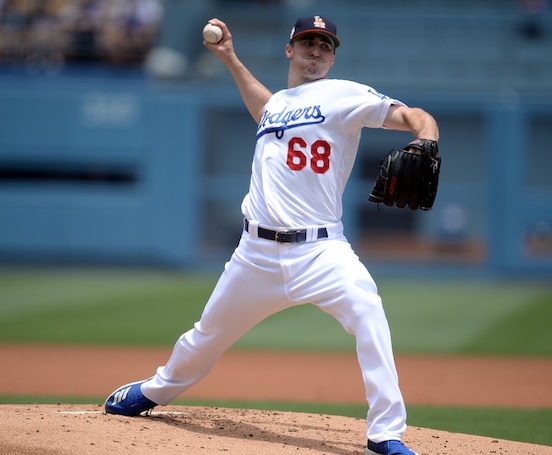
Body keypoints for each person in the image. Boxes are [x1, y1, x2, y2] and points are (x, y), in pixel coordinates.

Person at [105, 15, 439, 455]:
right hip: (255, 254)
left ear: (334, 55)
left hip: (321, 251)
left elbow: (414, 115)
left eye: (324, 45)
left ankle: (385, 432)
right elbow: (265, 109)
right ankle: (156, 390)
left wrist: (426, 139)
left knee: (368, 311)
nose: (315, 51)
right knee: (206, 336)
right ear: (290, 49)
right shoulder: (279, 103)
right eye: (307, 42)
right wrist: (229, 59)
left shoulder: (345, 95)